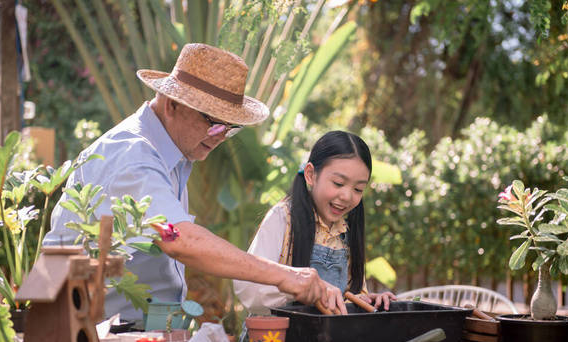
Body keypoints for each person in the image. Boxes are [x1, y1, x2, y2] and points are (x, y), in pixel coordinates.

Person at [44, 43, 346, 322]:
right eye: (212, 123)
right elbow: (179, 239)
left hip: (133, 331)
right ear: (172, 104)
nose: (219, 138)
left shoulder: (171, 154)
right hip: (83, 336)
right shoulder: (134, 155)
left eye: (229, 128)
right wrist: (285, 276)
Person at [226, 131, 397, 342]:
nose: (347, 196)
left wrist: (366, 302)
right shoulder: (283, 218)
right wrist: (302, 290)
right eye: (339, 182)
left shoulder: (346, 231)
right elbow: (247, 288)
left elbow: (346, 296)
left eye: (358, 189)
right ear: (310, 175)